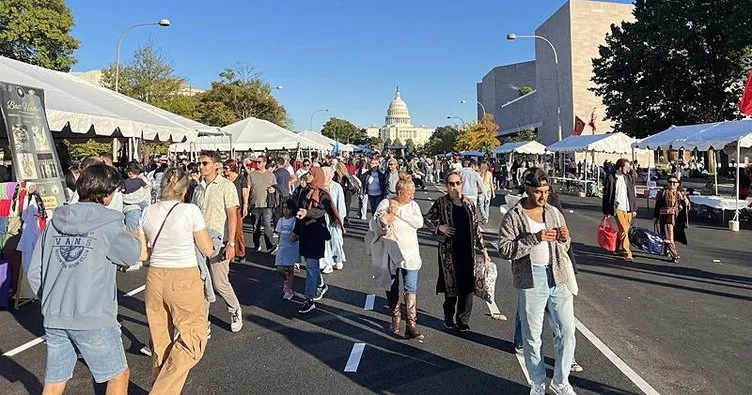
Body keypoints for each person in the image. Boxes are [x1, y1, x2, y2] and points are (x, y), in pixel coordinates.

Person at [27, 164, 147, 395]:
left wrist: (50, 299)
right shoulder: (110, 223)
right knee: (118, 376)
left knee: (54, 382)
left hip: (55, 314)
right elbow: (132, 254)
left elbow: (35, 273)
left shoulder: (55, 221)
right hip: (92, 315)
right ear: (106, 193)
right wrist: (136, 230)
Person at [498, 168, 577, 395]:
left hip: (557, 274)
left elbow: (565, 244)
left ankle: (561, 381)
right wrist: (535, 238)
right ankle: (538, 381)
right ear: (527, 189)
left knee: (567, 331)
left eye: (546, 191)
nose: (543, 197)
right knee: (532, 336)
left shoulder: (553, 212)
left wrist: (564, 238)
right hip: (531, 278)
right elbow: (505, 249)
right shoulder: (514, 215)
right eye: (538, 192)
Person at [142, 168, 216, 393]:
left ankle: (162, 386)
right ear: (185, 189)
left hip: (155, 276)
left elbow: (143, 254)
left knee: (161, 341)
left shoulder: (147, 211)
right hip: (184, 274)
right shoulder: (190, 211)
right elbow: (207, 249)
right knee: (194, 340)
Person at [425, 172, 491, 332]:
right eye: (451, 184)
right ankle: (448, 316)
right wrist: (439, 227)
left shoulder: (468, 203)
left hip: (468, 252)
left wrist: (484, 250)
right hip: (449, 252)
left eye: (457, 183)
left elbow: (476, 228)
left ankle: (463, 320)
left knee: (468, 287)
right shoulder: (441, 202)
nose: (455, 187)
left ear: (461, 184)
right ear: (447, 186)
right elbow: (427, 219)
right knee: (451, 287)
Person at [192, 151, 243, 333]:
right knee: (201, 279)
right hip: (198, 237)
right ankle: (204, 320)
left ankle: (234, 309)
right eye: (200, 163)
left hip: (218, 239)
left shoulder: (226, 186)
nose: (201, 166)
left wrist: (231, 243)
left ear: (216, 165)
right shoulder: (198, 188)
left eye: (205, 163)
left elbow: (232, 215)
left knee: (220, 281)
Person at [371, 175, 425, 341]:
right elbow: (373, 224)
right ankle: (395, 315)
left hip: (410, 253)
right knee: (392, 285)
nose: (412, 196)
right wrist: (384, 220)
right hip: (390, 252)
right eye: (409, 193)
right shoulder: (386, 203)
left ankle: (411, 323)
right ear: (400, 192)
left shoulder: (413, 206)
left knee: (411, 287)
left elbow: (419, 223)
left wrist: (399, 212)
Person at [294, 184, 332, 314]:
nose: (307, 177)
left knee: (310, 266)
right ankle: (321, 284)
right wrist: (296, 231)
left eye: (311, 174)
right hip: (305, 232)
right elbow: (299, 211)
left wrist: (308, 212)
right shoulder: (304, 192)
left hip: (316, 233)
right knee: (312, 264)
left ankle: (309, 300)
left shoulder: (323, 194)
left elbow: (322, 210)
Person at [602, 158, 637, 261]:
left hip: (628, 207)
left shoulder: (628, 178)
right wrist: (606, 211)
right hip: (618, 208)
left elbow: (632, 194)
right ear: (620, 167)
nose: (628, 169)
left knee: (625, 230)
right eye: (626, 167)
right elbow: (607, 194)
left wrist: (634, 208)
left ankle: (617, 245)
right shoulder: (611, 178)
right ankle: (627, 253)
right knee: (624, 230)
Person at [653, 176, 690, 263]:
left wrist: (686, 202)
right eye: (670, 182)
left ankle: (667, 249)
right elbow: (657, 205)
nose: (672, 184)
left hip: (677, 218)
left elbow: (687, 207)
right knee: (669, 236)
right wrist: (655, 217)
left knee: (671, 235)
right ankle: (674, 255)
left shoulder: (681, 193)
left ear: (678, 184)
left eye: (674, 182)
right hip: (666, 216)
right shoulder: (663, 192)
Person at [248, 155, 278, 253]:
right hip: (254, 204)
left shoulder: (271, 175)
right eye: (256, 162)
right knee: (255, 226)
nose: (257, 163)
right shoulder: (251, 175)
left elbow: (276, 188)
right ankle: (257, 244)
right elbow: (247, 189)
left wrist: (273, 190)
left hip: (267, 204)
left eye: (259, 162)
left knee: (267, 225)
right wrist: (246, 204)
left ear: (265, 163)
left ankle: (270, 245)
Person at [320, 167, 347, 272]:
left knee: (336, 239)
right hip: (323, 217)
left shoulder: (337, 187)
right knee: (325, 241)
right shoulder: (320, 187)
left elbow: (341, 203)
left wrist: (340, 217)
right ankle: (328, 263)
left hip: (335, 217)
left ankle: (338, 258)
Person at [224, 159, 249, 262]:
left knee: (238, 230)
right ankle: (230, 253)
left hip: (237, 207)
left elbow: (245, 193)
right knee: (227, 230)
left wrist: (245, 206)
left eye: (226, 168)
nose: (224, 170)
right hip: (225, 207)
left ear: (232, 168)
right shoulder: (223, 179)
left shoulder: (240, 178)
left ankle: (241, 252)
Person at [276, 199, 300, 300]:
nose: (286, 210)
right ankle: (286, 279)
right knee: (280, 268)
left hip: (291, 248)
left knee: (290, 269)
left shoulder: (295, 220)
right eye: (284, 208)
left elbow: (297, 234)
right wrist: (278, 244)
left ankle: (289, 289)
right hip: (282, 247)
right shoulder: (281, 220)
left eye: (288, 208)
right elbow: (279, 234)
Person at [122, 162, 151, 232]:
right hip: (141, 202)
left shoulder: (125, 181)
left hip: (128, 204)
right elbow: (147, 188)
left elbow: (122, 190)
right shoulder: (141, 180)